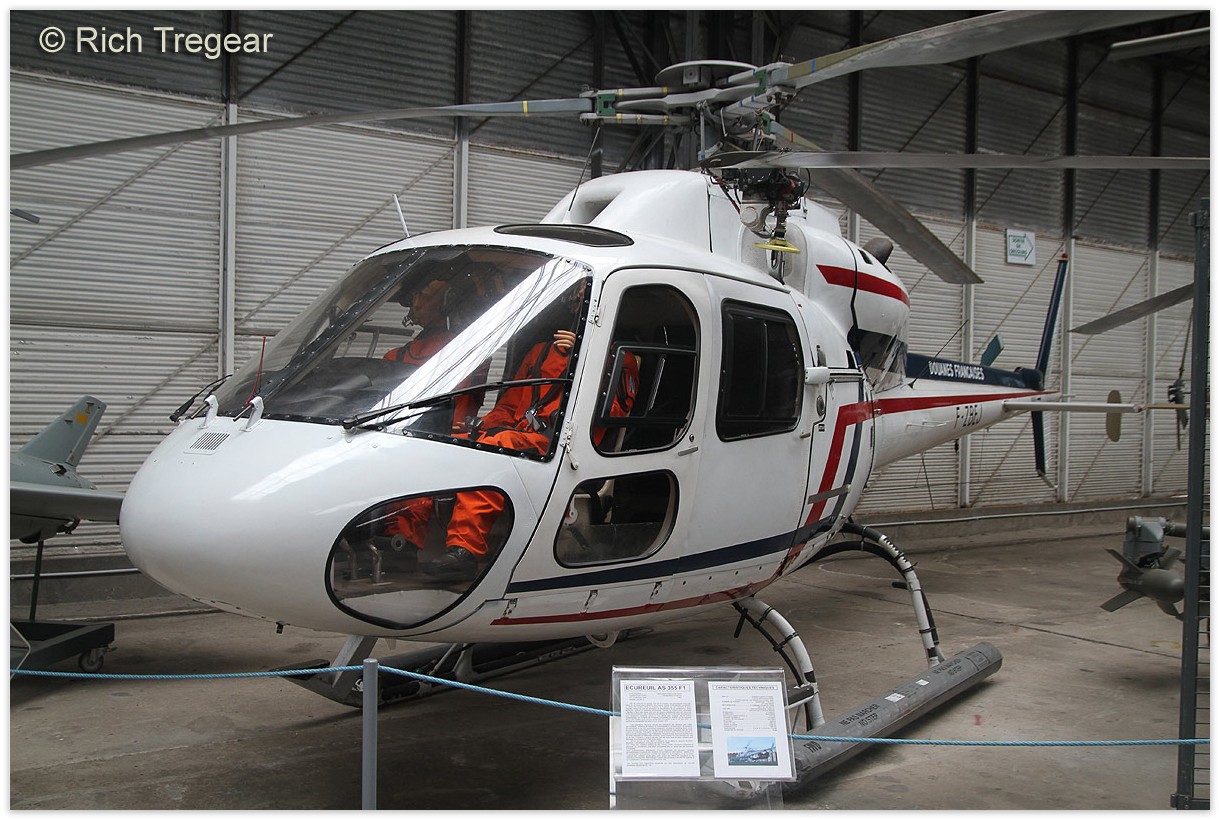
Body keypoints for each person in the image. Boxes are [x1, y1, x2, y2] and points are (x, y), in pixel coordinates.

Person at [424, 302, 640, 582]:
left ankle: (465, 550)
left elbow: (614, 412)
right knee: (441, 444)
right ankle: (401, 540)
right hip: (519, 438)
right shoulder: (539, 352)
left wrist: (587, 359)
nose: (578, 304)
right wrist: (478, 428)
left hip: (562, 448)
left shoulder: (620, 361)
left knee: (497, 447)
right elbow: (509, 406)